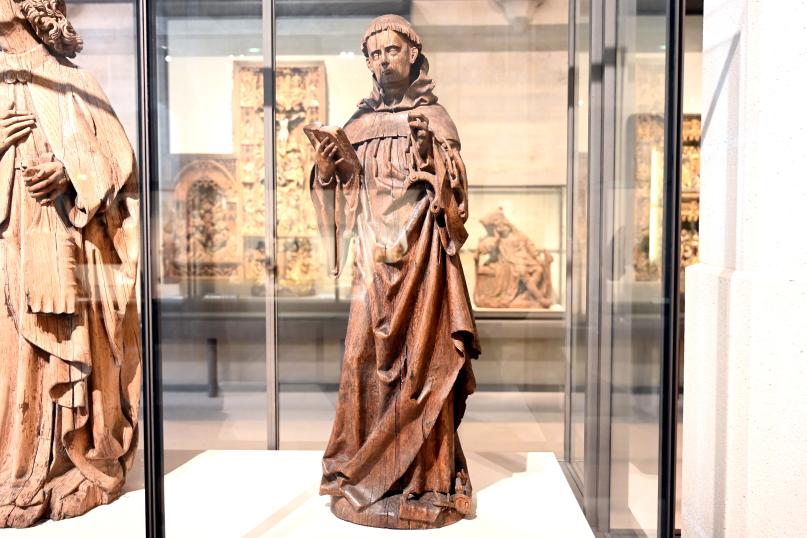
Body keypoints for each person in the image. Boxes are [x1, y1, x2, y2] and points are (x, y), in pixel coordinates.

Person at [310, 14, 480, 529]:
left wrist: (430, 157)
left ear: (413, 55)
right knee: (361, 359)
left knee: (422, 364)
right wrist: (328, 171)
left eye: (392, 50)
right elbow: (346, 195)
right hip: (373, 261)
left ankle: (426, 479)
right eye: (375, 53)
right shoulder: (358, 125)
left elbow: (455, 197)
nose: (384, 60)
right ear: (368, 63)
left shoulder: (435, 118)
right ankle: (363, 467)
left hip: (422, 262)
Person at [0, 0, 139, 527]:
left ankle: (59, 459)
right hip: (6, 251)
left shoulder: (72, 82)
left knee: (57, 345)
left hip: (62, 248)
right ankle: (12, 463)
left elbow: (119, 165)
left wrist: (71, 174)